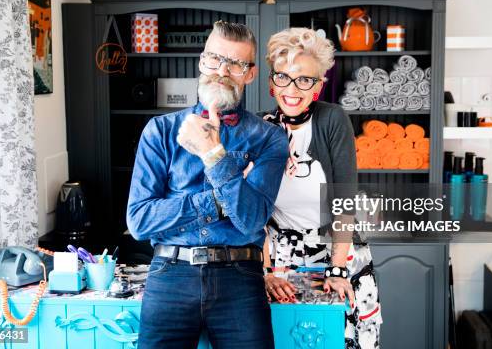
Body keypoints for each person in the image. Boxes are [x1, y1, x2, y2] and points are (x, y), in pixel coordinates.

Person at [127, 21, 288, 349]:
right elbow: (140, 221)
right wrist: (219, 200)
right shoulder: (159, 131)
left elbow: (250, 219)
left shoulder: (269, 138)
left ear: (250, 74)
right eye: (215, 59)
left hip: (240, 277)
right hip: (169, 274)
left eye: (236, 64)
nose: (222, 71)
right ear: (202, 62)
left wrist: (213, 155)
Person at [260, 28, 383, 348]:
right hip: (284, 265)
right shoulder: (261, 128)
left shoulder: (332, 119)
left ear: (318, 85)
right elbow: (258, 214)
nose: (293, 88)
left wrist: (338, 270)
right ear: (272, 81)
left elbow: (344, 201)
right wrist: (267, 271)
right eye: (284, 77)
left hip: (338, 255)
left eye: (305, 80)